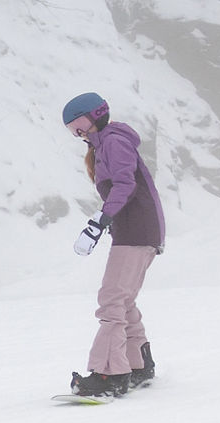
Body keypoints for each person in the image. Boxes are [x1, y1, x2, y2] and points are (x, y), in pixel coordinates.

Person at [61, 92, 163, 401]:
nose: (77, 135)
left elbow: (124, 185)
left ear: (94, 117)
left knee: (111, 300)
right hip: (138, 229)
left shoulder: (114, 141)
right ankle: (138, 363)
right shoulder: (106, 143)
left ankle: (110, 374)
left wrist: (99, 222)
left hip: (136, 229)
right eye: (72, 131)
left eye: (78, 127)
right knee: (122, 299)